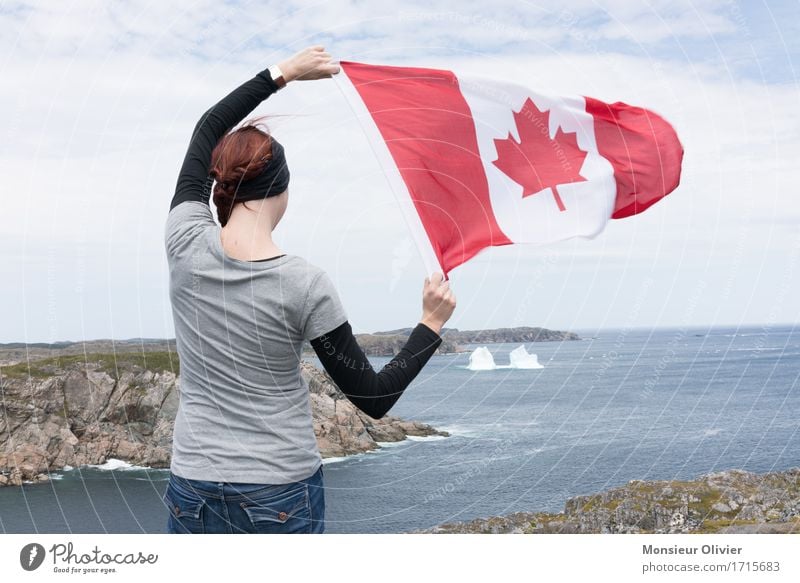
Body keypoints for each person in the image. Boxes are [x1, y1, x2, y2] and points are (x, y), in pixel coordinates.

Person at [162, 45, 457, 534]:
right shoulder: (304, 284)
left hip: (191, 484)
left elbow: (206, 129)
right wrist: (430, 324)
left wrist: (284, 73)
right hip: (277, 490)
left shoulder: (184, 242)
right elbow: (374, 397)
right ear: (281, 189)